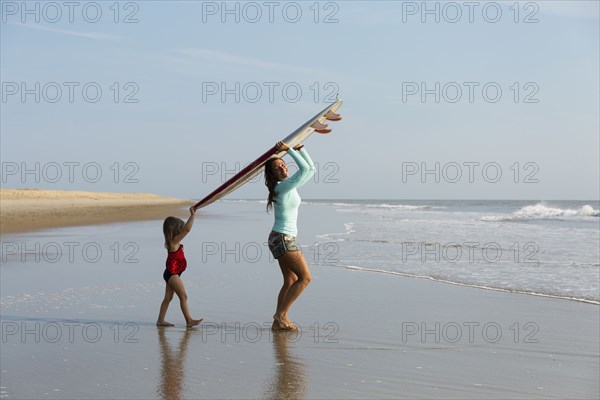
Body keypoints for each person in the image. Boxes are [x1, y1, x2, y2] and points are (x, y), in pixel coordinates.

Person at [265, 141, 315, 331]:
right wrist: (290, 151)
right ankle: (280, 315)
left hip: (279, 238)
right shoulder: (282, 187)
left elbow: (310, 169)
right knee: (305, 278)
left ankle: (278, 321)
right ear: (273, 174)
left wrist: (302, 149)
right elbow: (304, 170)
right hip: (284, 239)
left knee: (290, 280)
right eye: (278, 167)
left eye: (283, 164)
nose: (283, 167)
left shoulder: (286, 186)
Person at [157, 206, 203, 327]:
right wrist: (193, 215)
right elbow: (187, 229)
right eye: (180, 229)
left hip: (172, 273)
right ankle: (189, 320)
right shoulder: (173, 242)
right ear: (174, 230)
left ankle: (160, 320)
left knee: (168, 298)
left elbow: (185, 229)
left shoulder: (172, 242)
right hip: (172, 274)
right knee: (183, 296)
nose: (182, 230)